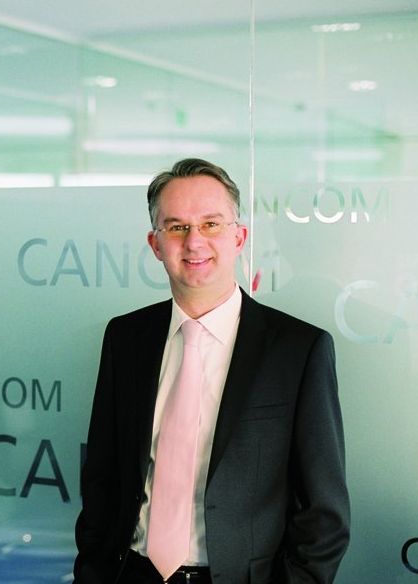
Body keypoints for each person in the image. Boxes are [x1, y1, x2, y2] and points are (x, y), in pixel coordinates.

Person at [74, 158, 350, 584]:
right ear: (155, 244)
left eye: (211, 224)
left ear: (239, 237)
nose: (194, 241)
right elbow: (102, 478)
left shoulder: (298, 350)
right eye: (176, 227)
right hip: (132, 573)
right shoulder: (125, 339)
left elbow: (324, 514)